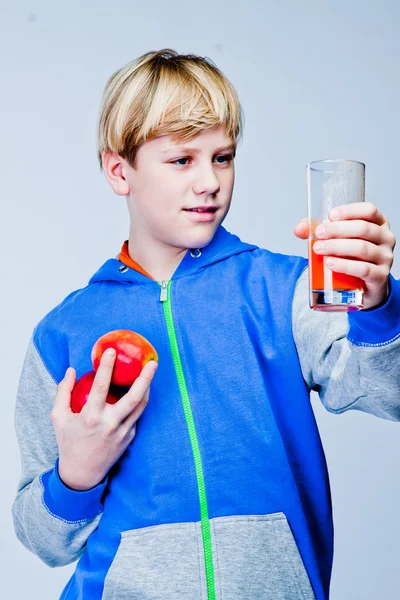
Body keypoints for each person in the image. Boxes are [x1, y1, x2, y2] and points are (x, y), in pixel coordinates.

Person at [12, 48, 399, 600]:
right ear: (119, 171)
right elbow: (43, 541)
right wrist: (76, 473)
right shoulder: (63, 333)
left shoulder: (283, 289)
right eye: (181, 160)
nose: (208, 182)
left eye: (222, 157)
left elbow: (390, 392)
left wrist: (379, 301)